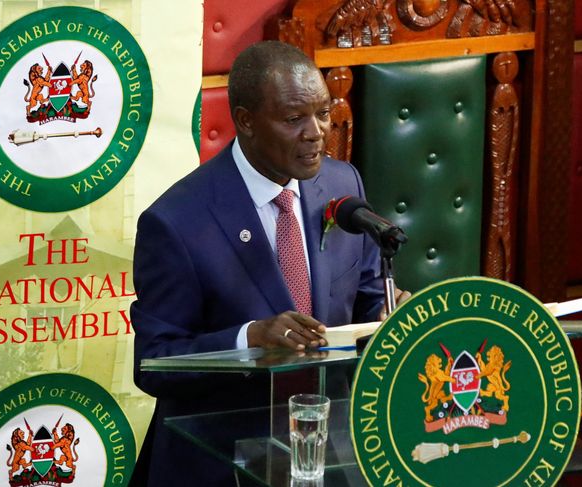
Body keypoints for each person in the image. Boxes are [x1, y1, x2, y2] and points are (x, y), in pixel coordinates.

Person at [129, 41, 407, 486]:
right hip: (221, 460)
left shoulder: (342, 183)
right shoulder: (177, 222)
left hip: (328, 453)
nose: (316, 132)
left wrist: (390, 317)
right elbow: (154, 362)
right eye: (294, 119)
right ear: (245, 121)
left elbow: (366, 304)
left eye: (322, 112)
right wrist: (250, 337)